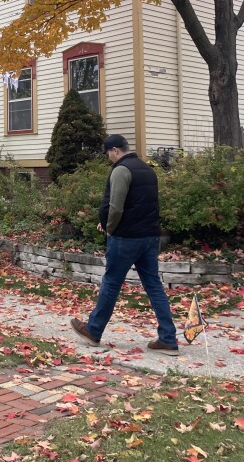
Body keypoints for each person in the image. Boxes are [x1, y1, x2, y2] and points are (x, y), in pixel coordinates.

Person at [70, 134, 179, 356]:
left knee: (111, 282)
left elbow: (116, 206)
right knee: (154, 285)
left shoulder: (121, 170)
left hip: (126, 238)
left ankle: (93, 330)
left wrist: (110, 227)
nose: (108, 158)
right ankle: (168, 338)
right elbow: (141, 204)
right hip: (150, 237)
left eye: (108, 153)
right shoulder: (147, 169)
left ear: (115, 150)